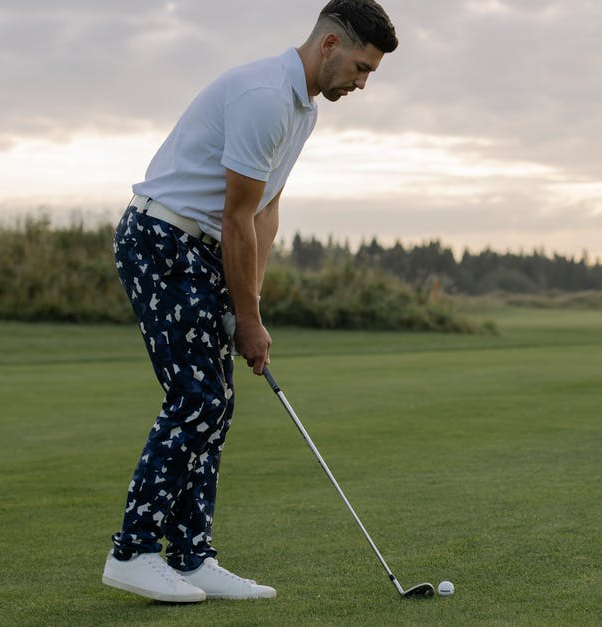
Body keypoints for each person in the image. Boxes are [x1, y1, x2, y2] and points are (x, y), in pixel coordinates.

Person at [102, 0, 398, 603]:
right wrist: (248, 318)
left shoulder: (303, 110)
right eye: (362, 68)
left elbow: (265, 213)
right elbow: (236, 218)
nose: (362, 83)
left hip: (200, 248)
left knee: (216, 405)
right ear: (329, 46)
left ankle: (190, 556)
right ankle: (132, 552)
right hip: (160, 240)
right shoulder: (263, 96)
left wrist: (250, 307)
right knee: (196, 398)